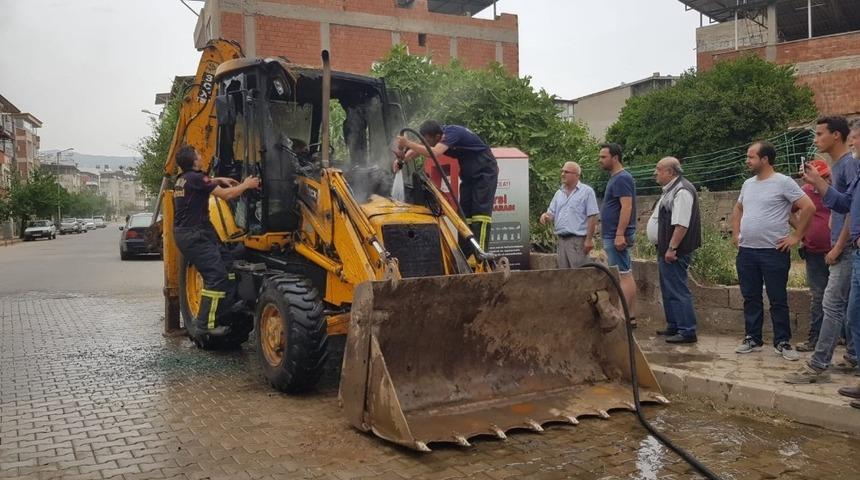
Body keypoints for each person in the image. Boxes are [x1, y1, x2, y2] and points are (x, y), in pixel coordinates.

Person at [786, 117, 859, 384]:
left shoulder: (849, 166)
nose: (815, 140)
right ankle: (852, 357)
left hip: (847, 248)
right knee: (850, 308)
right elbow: (841, 205)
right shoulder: (839, 166)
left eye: (819, 134)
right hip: (844, 247)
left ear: (836, 136)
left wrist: (838, 246)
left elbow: (853, 209)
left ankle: (818, 365)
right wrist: (818, 182)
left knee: (832, 304)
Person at [732, 141, 814, 361]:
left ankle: (782, 342)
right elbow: (738, 208)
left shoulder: (783, 182)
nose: (747, 161)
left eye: (751, 157)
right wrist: (735, 233)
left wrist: (796, 237)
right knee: (750, 297)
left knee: (777, 298)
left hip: (773, 251)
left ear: (765, 159)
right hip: (747, 251)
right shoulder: (748, 184)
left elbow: (808, 207)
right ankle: (753, 338)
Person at [173, 145, 260, 336]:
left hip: (194, 233)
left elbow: (201, 184)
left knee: (227, 266)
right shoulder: (196, 178)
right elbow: (227, 195)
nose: (201, 156)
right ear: (194, 161)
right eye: (198, 154)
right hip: (195, 235)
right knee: (215, 277)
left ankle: (226, 307)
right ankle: (204, 326)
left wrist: (218, 179)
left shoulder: (182, 180)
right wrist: (246, 184)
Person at [396, 121, 499, 254]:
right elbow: (418, 150)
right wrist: (401, 160)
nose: (427, 143)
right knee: (465, 215)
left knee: (480, 215)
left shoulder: (451, 133)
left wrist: (407, 143)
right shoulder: (437, 135)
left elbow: (434, 152)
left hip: (484, 172)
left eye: (429, 140)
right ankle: (466, 257)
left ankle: (482, 256)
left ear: (438, 136)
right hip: (469, 174)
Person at [646, 157, 702, 344]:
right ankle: (674, 325)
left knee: (677, 289)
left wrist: (672, 248)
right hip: (665, 249)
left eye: (659, 169)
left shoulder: (682, 191)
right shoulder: (671, 190)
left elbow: (681, 224)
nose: (655, 172)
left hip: (675, 251)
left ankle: (687, 331)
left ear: (670, 172)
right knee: (668, 289)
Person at [794, 159, 832, 353]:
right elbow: (788, 211)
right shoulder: (805, 192)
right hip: (814, 252)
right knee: (818, 296)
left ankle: (841, 337)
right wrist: (800, 232)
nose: (823, 179)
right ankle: (815, 338)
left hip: (837, 251)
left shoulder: (835, 192)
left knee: (842, 297)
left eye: (825, 176)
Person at [598, 143, 637, 322]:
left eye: (603, 157)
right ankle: (629, 316)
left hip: (616, 235)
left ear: (615, 158)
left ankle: (624, 317)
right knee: (623, 273)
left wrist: (620, 233)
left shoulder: (622, 178)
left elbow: (626, 206)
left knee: (623, 274)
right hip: (613, 234)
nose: (600, 160)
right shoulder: (615, 178)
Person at [540, 161, 599, 268]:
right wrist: (545, 216)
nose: (562, 174)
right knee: (564, 276)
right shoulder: (559, 193)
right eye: (562, 171)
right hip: (561, 241)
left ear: (576, 175)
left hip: (578, 241)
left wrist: (589, 240)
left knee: (580, 275)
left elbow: (592, 216)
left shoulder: (587, 192)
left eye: (566, 172)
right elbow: (551, 213)